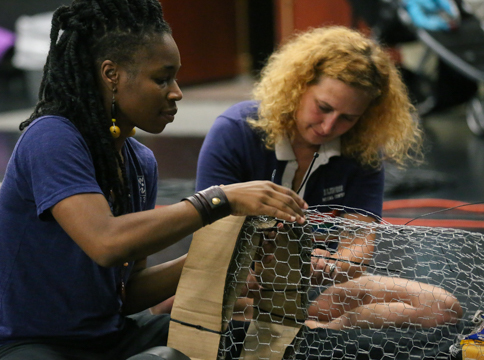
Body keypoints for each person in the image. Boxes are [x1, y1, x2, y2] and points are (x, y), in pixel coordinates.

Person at [0, 1, 309, 359]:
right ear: (112, 74)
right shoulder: (52, 137)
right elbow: (106, 242)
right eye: (161, 78)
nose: (176, 92)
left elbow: (128, 294)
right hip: (19, 345)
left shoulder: (140, 162)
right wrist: (217, 199)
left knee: (258, 340)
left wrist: (228, 259)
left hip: (106, 340)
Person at [196, 26, 464, 330]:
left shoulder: (361, 151)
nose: (328, 126)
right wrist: (263, 267)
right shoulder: (236, 131)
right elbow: (209, 238)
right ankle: (298, 328)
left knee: (442, 308)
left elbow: (358, 248)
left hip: (315, 292)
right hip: (245, 282)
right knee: (171, 303)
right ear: (297, 85)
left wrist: (331, 266)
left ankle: (318, 331)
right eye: (323, 108)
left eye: (347, 118)